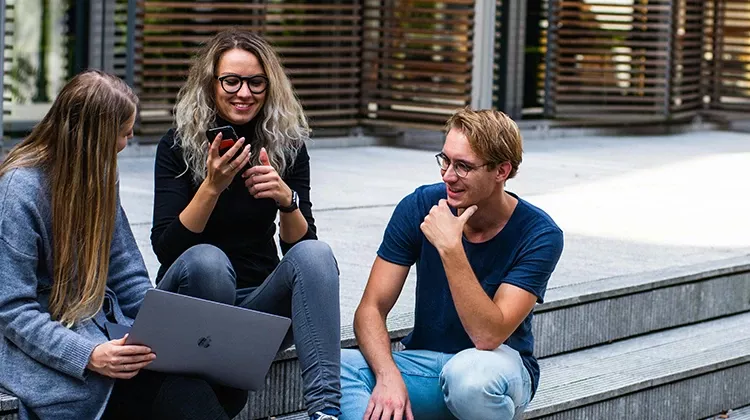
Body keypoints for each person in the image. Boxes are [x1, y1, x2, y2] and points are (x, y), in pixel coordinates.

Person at [0, 70, 247, 420]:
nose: (125, 143)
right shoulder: (20, 190)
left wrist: (162, 331)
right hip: (64, 355)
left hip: (111, 333)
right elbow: (13, 310)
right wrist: (89, 354)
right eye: (122, 134)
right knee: (185, 395)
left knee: (228, 384)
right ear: (91, 137)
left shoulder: (99, 174)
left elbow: (128, 274)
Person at [150, 29, 341, 420]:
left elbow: (301, 252)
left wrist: (286, 201)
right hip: (193, 302)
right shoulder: (177, 145)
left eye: (256, 82)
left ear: (270, 86)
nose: (244, 93)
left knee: (317, 255)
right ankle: (213, 384)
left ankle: (325, 411)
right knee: (207, 261)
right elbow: (167, 249)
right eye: (231, 81)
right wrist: (212, 186)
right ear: (211, 84)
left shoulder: (285, 145)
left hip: (257, 307)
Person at [340, 108, 564, 420]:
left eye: (463, 166)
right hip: (426, 364)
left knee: (469, 379)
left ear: (501, 170)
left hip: (495, 371)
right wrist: (389, 376)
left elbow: (487, 336)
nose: (447, 175)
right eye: (445, 160)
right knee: (335, 367)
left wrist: (450, 248)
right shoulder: (420, 205)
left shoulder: (539, 234)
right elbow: (371, 308)